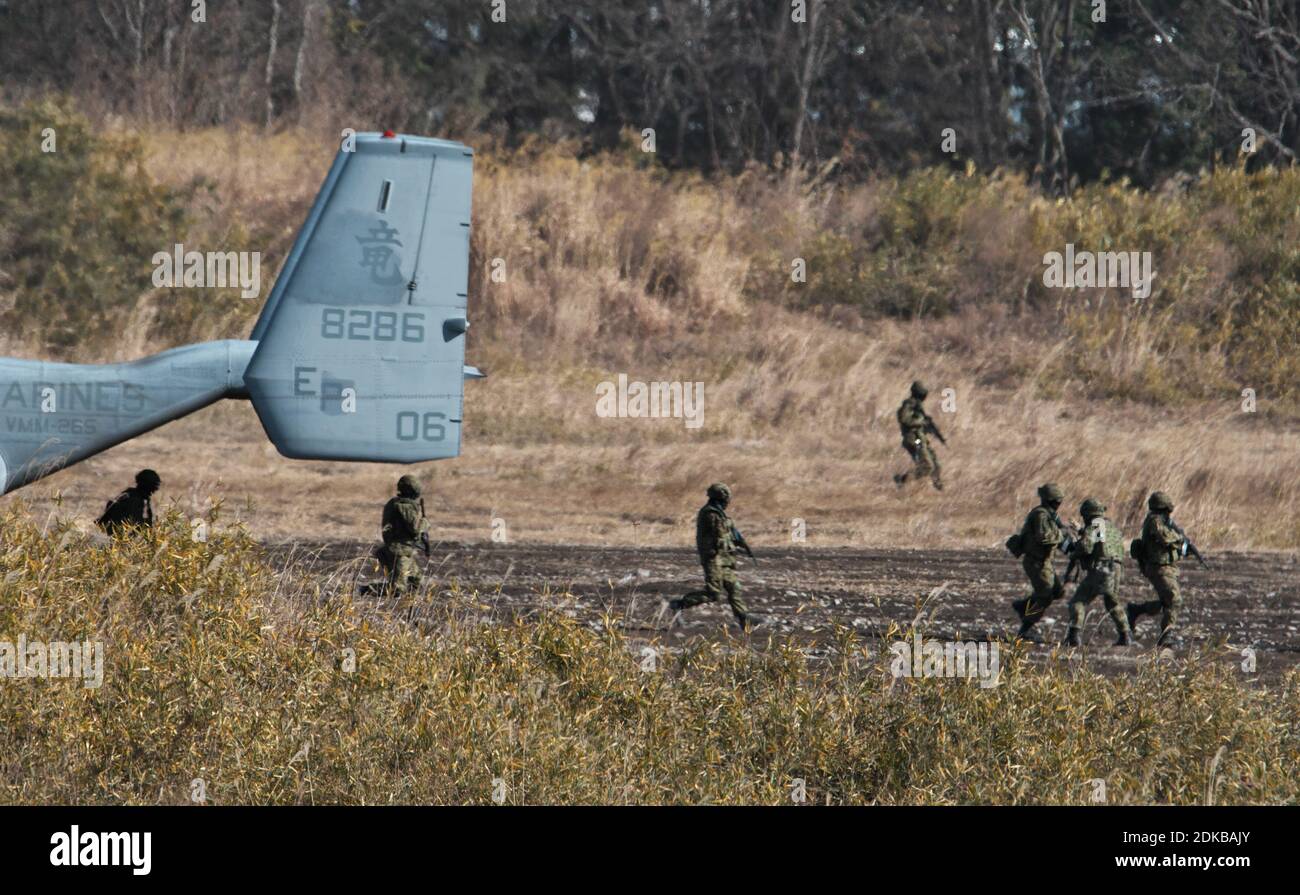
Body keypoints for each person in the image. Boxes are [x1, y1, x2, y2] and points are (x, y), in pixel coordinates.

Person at [666, 482, 758, 632]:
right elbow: (719, 536)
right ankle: (679, 604)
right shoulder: (710, 514)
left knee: (733, 587)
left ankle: (743, 619)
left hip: (723, 558)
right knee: (713, 593)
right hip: (713, 559)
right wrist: (732, 544)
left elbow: (728, 533)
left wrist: (739, 544)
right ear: (722, 498)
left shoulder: (718, 513)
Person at [1006, 482, 1072, 642]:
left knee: (1058, 591)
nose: (1059, 503)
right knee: (1045, 596)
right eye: (1057, 500)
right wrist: (1062, 532)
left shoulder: (1048, 514)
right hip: (1036, 562)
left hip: (1044, 562)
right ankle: (1024, 630)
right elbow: (1044, 537)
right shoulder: (1041, 515)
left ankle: (1023, 606)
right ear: (1051, 500)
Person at [1063, 498, 1132, 646]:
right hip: (1117, 569)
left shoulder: (1094, 526)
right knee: (1112, 603)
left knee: (1078, 601)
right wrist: (1082, 531)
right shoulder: (1111, 527)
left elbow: (1086, 547)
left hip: (1101, 569)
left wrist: (1074, 549)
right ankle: (1126, 635)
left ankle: (1074, 636)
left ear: (1087, 514)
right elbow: (1102, 540)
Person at [1127, 491, 1186, 646]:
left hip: (1165, 567)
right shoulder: (1155, 521)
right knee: (1174, 599)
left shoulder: (1160, 521)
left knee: (1167, 602)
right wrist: (1179, 537)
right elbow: (1165, 538)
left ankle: (1135, 610)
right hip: (1158, 567)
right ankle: (1166, 636)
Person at [377, 474, 429, 599]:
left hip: (405, 551)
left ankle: (411, 611)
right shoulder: (403, 506)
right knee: (397, 589)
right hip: (399, 552)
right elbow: (415, 529)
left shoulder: (398, 503)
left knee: (417, 583)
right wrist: (425, 522)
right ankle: (363, 590)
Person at [893, 380, 943, 490]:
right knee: (927, 466)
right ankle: (902, 479)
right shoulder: (909, 404)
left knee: (935, 463)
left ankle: (938, 487)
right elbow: (904, 419)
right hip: (914, 440)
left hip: (919, 439)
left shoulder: (917, 406)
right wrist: (921, 422)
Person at [96, 469, 160, 534]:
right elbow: (135, 525)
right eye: (153, 487)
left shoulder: (131, 494)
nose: (155, 490)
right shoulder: (134, 499)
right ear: (147, 486)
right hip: (115, 534)